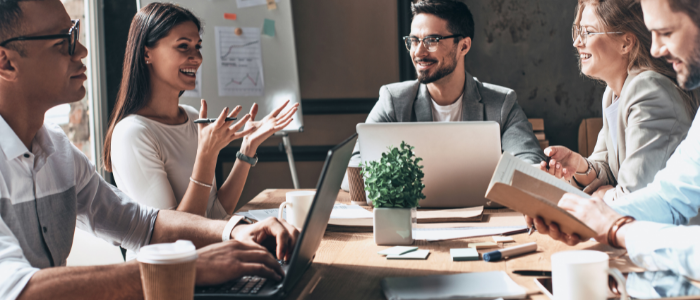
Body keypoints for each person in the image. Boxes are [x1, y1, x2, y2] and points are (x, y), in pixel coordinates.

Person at [0, 1, 298, 299]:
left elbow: (143, 223)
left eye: (75, 34)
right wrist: (186, 266)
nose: (81, 51)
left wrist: (235, 230)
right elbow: (18, 290)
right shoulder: (131, 131)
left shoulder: (58, 151)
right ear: (6, 62)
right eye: (63, 41)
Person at [529, 0, 700, 281]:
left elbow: (639, 194)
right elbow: (669, 196)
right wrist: (579, 212)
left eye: (666, 32)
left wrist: (608, 217)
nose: (656, 48)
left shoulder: (648, 89)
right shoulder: (613, 93)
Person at [103, 3, 298, 229]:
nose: (196, 58)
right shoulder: (132, 134)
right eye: (183, 46)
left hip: (210, 257)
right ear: (147, 53)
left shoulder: (192, 116)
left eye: (198, 47)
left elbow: (214, 213)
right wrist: (206, 155)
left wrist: (248, 148)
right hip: (172, 265)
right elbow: (173, 235)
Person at [342, 0, 545, 190]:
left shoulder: (501, 104)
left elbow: (531, 165)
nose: (419, 52)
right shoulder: (394, 101)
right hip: (414, 222)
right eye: (414, 40)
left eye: (432, 40)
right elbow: (353, 170)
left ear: (463, 46)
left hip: (483, 219)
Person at [540, 0, 697, 202]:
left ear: (626, 43)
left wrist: (605, 195)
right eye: (577, 31)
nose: (577, 42)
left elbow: (635, 196)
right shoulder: (614, 93)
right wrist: (580, 165)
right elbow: (607, 167)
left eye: (587, 32)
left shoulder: (648, 91)